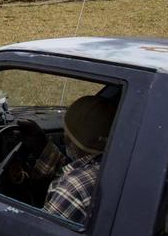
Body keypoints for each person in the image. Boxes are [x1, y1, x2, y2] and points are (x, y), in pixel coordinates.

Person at [17, 94, 116, 225]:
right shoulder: (116, 165)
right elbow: (76, 168)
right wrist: (42, 147)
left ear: (69, 138)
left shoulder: (74, 187)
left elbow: (41, 233)